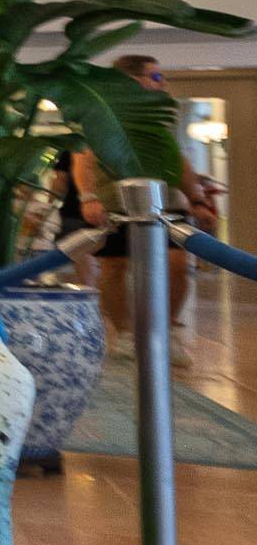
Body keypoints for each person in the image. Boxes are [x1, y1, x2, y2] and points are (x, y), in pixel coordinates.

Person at [76, 53, 225, 348]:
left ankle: (165, 333)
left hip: (165, 203)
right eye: (156, 77)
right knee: (115, 266)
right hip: (115, 203)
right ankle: (125, 335)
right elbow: (83, 157)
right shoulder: (100, 111)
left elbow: (178, 159)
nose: (163, 83)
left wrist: (197, 200)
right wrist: (89, 197)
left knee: (178, 262)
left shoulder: (164, 114)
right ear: (132, 81)